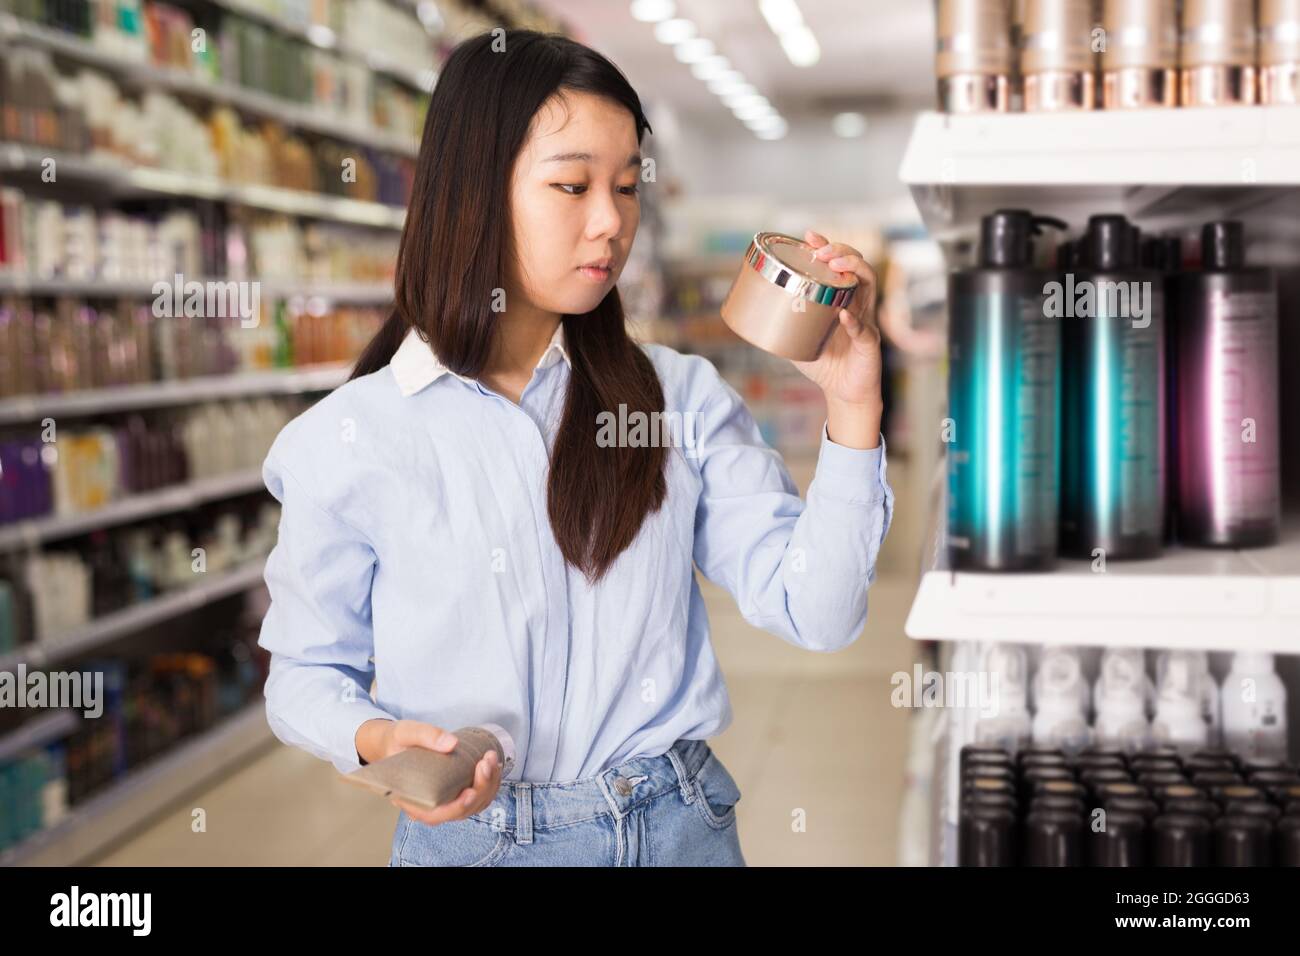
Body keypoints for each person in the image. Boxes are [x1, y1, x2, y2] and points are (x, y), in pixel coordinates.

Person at [256, 29, 894, 867]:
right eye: (572, 184)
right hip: (477, 844)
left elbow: (820, 613)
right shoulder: (352, 439)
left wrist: (853, 402)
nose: (611, 222)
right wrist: (378, 739)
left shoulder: (677, 400)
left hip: (679, 832)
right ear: (474, 190)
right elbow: (303, 676)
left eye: (628, 186)